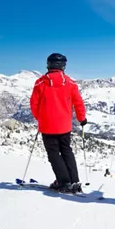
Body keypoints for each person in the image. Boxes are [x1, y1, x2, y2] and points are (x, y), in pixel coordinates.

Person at [30, 53, 87, 193]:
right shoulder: (71, 83)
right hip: (65, 126)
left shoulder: (40, 82)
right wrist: (82, 118)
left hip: (47, 125)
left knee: (54, 154)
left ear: (48, 64)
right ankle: (74, 181)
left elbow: (34, 104)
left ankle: (63, 182)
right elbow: (78, 102)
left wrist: (41, 118)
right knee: (67, 151)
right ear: (63, 66)